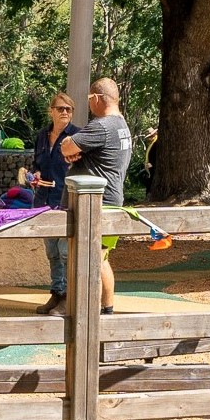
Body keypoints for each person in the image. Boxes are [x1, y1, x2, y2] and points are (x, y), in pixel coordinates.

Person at [58, 77, 133, 315]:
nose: (89, 105)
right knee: (100, 259)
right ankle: (106, 309)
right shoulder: (121, 125)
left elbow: (67, 146)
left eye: (90, 99)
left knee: (91, 261)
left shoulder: (102, 126)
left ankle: (89, 312)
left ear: (98, 99)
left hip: (96, 205)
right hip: (111, 201)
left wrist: (69, 149)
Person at [30, 93, 78, 316]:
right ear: (51, 111)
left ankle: (69, 297)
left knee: (65, 251)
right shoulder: (41, 136)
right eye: (60, 108)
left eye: (69, 109)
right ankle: (57, 293)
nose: (65, 112)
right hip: (43, 201)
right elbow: (36, 164)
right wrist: (35, 176)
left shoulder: (77, 136)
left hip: (65, 200)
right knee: (52, 251)